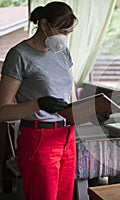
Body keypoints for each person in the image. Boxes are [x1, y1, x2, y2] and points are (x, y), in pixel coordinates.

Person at [0, 2, 77, 200]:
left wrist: (88, 110)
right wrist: (38, 104)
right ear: (44, 25)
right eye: (62, 31)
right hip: (38, 137)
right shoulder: (19, 55)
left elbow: (71, 94)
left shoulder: (63, 53)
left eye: (68, 33)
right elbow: (3, 111)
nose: (65, 38)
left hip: (67, 135)